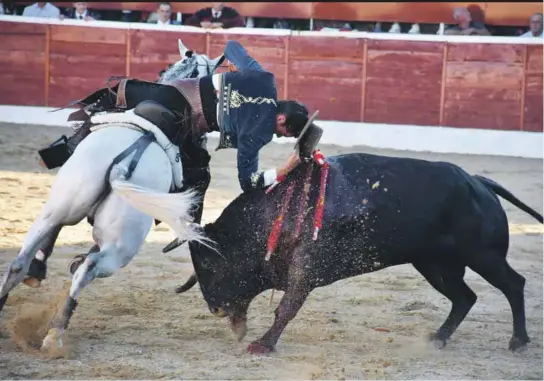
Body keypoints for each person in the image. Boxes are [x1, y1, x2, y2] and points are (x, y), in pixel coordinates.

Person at [31, 40, 309, 282]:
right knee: (199, 175)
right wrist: (282, 170)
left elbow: (231, 47)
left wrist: (238, 75)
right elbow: (248, 183)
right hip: (183, 122)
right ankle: (180, 225)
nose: (280, 135)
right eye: (284, 132)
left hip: (170, 93)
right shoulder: (258, 133)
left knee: (108, 102)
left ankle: (63, 151)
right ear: (281, 119)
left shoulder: (265, 78)